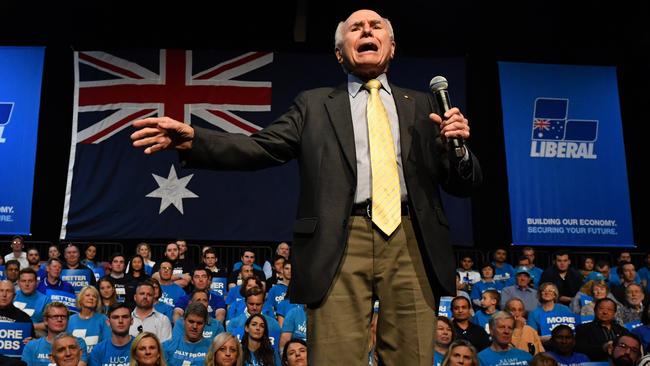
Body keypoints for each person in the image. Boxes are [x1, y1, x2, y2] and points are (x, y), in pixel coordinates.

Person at [131, 8, 480, 365]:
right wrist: (195, 140)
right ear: (340, 53)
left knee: (413, 357)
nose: (366, 30)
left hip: (412, 240)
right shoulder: (313, 105)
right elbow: (260, 146)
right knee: (335, 357)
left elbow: (463, 182)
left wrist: (459, 149)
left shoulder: (424, 105)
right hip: (340, 240)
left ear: (391, 47)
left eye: (376, 26)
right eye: (355, 27)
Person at [22, 302, 89, 366]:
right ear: (45, 320)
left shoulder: (77, 343)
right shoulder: (32, 346)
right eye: (55, 317)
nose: (59, 319)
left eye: (63, 317)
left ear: (68, 320)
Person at [66, 286, 112, 353]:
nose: (91, 298)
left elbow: (107, 344)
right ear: (80, 299)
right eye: (87, 295)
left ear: (97, 301)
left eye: (94, 296)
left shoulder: (103, 319)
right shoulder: (70, 320)